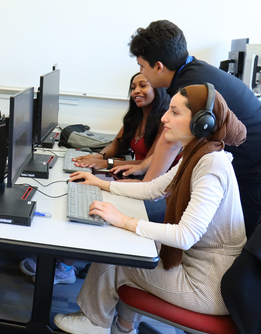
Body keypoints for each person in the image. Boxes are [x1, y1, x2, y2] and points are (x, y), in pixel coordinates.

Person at [54, 84, 247, 334]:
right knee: (133, 241)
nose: (165, 118)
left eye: (175, 113)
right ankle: (125, 326)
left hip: (207, 286)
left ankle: (94, 323)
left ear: (203, 123)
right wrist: (101, 184)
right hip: (201, 271)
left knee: (120, 254)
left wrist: (124, 221)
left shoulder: (210, 166)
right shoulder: (200, 154)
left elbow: (186, 236)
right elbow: (153, 189)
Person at [127, 19, 261, 238]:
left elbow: (170, 142)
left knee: (236, 239)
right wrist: (142, 168)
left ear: (158, 66)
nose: (142, 72)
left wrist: (144, 190)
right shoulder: (190, 71)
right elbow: (168, 138)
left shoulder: (191, 84)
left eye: (142, 66)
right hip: (256, 159)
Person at [20, 73, 172, 284]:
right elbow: (118, 144)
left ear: (157, 89)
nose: (136, 91)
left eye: (143, 85)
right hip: (132, 175)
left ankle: (65, 267)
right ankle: (60, 252)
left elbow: (149, 165)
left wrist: (106, 164)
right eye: (133, 87)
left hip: (150, 185)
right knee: (83, 188)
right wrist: (99, 157)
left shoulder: (165, 122)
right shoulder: (136, 116)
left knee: (94, 200)